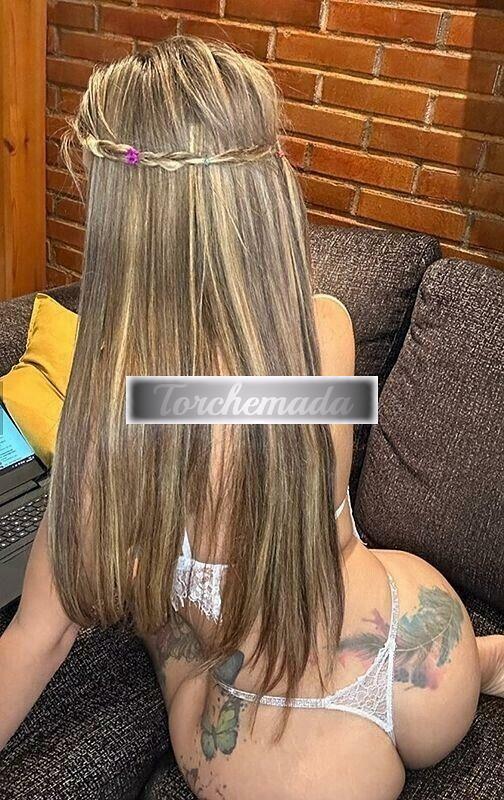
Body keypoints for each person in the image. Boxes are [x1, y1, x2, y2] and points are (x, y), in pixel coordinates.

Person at [0, 35, 502, 800]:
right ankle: (490, 662)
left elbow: (36, 641)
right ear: (265, 194)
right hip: (423, 646)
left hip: (298, 757)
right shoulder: (326, 330)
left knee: (163, 628)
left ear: (120, 231)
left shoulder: (110, 442)